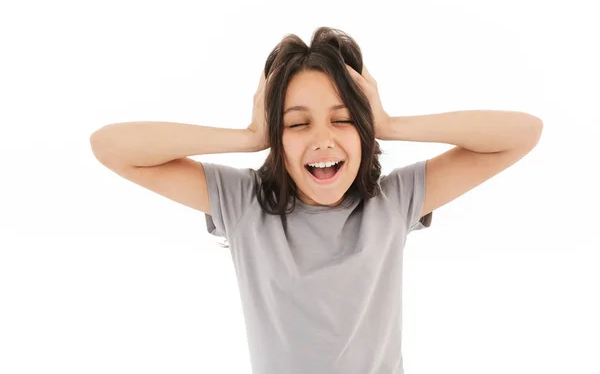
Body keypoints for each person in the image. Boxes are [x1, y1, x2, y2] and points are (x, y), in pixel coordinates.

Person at [90, 27, 542, 374]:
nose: (322, 140)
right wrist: (249, 136)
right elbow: (112, 147)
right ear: (277, 138)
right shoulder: (243, 203)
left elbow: (522, 134)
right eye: (297, 124)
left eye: (343, 119)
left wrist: (389, 122)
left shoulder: (395, 200)